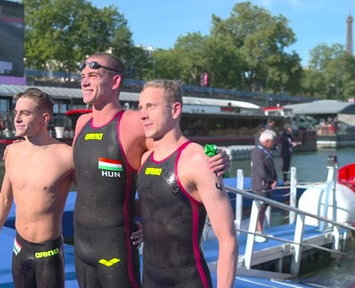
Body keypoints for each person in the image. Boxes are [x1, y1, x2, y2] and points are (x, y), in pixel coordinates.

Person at [73, 52, 230, 287]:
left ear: (115, 82)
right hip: (92, 249)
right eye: (83, 76)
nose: (84, 81)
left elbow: (173, 152)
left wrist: (215, 154)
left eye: (93, 75)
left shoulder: (135, 123)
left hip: (132, 252)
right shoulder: (83, 125)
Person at [136, 80, 238, 287]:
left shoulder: (198, 160)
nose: (142, 114)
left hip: (187, 279)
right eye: (140, 107)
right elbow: (160, 204)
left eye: (151, 106)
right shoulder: (145, 158)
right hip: (149, 277)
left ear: (175, 110)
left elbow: (228, 240)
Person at [0, 88, 74, 288]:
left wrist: (129, 221)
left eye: (25, 113)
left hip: (48, 253)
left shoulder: (66, 156)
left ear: (45, 118)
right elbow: (5, 199)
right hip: (19, 248)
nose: (17, 118)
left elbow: (96, 195)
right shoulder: (13, 152)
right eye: (16, 113)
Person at [250, 129, 277, 243]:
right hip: (261, 185)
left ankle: (261, 230)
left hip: (266, 185)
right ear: (266, 141)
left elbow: (271, 167)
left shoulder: (266, 152)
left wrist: (275, 179)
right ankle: (257, 232)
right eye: (272, 141)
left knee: (264, 208)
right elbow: (261, 169)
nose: (274, 143)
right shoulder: (257, 152)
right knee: (260, 208)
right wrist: (271, 181)